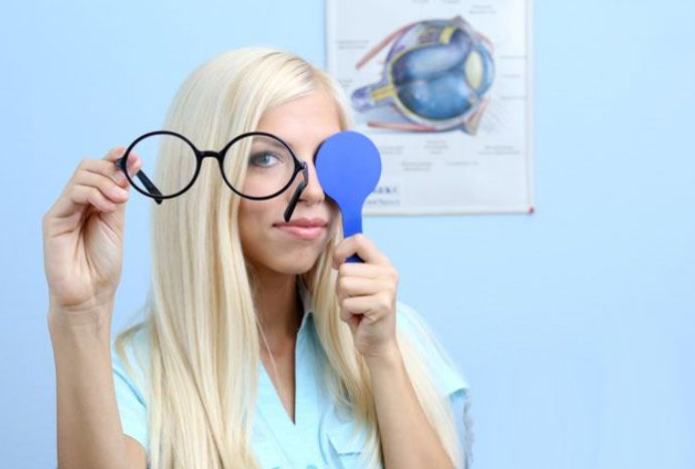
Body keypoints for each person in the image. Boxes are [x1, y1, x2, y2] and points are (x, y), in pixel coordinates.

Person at [42, 47, 471, 469]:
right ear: (206, 181)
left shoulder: (393, 336)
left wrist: (383, 356)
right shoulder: (133, 375)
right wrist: (81, 315)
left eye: (325, 158)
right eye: (266, 158)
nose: (313, 190)